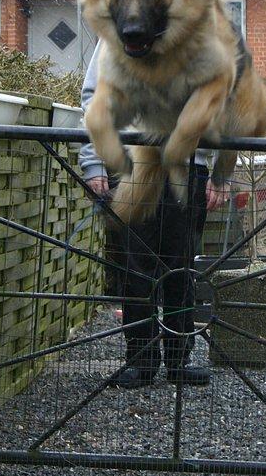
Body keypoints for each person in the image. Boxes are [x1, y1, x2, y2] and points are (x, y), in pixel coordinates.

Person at [80, 40, 230, 389]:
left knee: (181, 267)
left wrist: (220, 171)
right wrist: (92, 162)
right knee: (135, 268)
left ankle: (179, 359)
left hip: (188, 166)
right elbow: (94, 98)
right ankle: (141, 360)